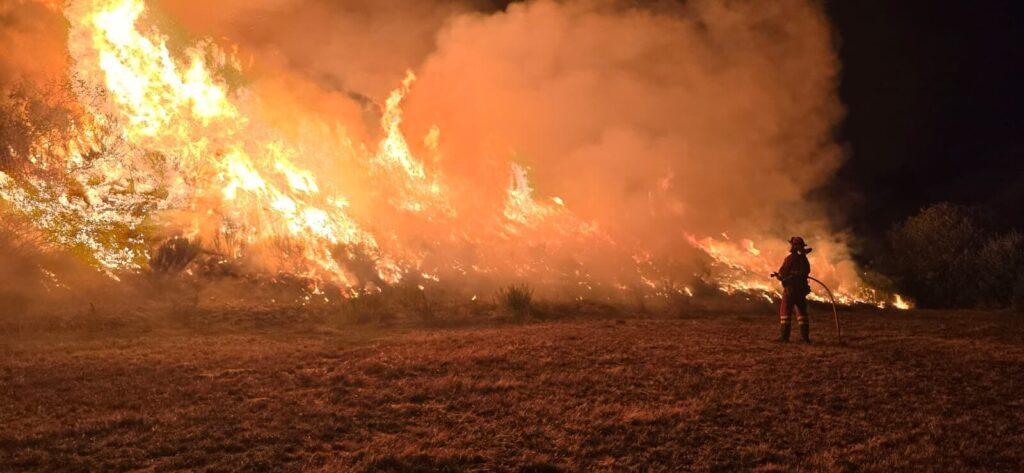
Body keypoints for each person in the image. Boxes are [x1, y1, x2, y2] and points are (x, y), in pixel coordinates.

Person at [773, 236, 812, 343]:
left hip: (790, 290)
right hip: (802, 290)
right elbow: (807, 272)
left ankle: (784, 337)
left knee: (785, 311)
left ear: (794, 246)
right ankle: (805, 338)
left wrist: (779, 276)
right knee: (802, 313)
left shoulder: (790, 258)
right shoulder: (804, 260)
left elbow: (783, 273)